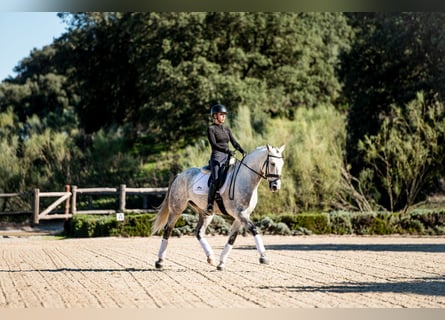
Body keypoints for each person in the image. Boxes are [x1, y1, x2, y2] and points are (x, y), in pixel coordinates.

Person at [206, 104, 246, 215]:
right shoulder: (211, 129)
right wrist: (227, 151)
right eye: (221, 115)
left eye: (224, 115)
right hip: (217, 158)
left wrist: (243, 151)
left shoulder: (226, 129)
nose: (223, 117)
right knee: (216, 179)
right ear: (215, 116)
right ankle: (209, 204)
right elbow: (214, 145)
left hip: (227, 158)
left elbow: (234, 142)